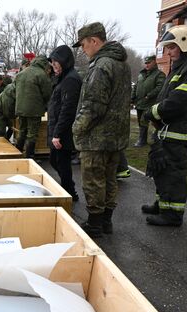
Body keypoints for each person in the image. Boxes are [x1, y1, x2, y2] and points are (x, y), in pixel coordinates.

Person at [141, 25, 187, 227]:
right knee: (161, 169)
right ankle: (163, 204)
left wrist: (154, 111)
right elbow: (168, 97)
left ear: (184, 45)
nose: (168, 52)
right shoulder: (182, 67)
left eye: (172, 47)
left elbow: (179, 101)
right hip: (168, 130)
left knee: (173, 173)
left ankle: (173, 215)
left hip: (178, 132)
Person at [72, 22, 131, 238]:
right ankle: (106, 221)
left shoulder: (102, 65)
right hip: (115, 136)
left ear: (94, 41)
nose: (83, 50)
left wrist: (77, 128)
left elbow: (94, 104)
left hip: (97, 137)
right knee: (109, 178)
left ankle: (95, 224)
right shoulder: (121, 64)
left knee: (93, 180)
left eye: (84, 45)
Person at [47, 45, 82, 202]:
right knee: (56, 161)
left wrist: (57, 134)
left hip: (63, 132)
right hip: (59, 129)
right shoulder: (64, 78)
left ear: (64, 62)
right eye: (52, 64)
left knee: (62, 163)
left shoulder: (71, 80)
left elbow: (68, 110)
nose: (54, 67)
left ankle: (69, 193)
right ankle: (69, 190)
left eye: (56, 64)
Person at [14, 55, 53, 159]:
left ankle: (17, 153)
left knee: (22, 131)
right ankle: (29, 157)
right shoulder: (42, 75)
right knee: (32, 134)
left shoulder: (21, 74)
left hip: (20, 109)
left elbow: (14, 89)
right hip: (34, 110)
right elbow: (47, 94)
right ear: (44, 64)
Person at [132, 55, 166, 147]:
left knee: (150, 121)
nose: (146, 65)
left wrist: (149, 95)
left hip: (151, 103)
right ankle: (149, 137)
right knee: (141, 121)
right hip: (140, 102)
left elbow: (160, 87)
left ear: (155, 62)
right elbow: (136, 86)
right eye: (145, 63)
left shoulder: (159, 74)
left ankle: (144, 140)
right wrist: (132, 98)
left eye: (149, 63)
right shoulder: (141, 74)